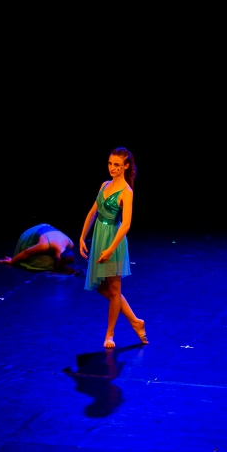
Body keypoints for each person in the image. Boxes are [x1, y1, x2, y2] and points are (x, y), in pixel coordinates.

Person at [79, 147, 147, 349]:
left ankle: (110, 334)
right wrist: (82, 236)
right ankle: (135, 321)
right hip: (99, 236)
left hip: (114, 241)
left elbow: (126, 225)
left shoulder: (126, 192)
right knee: (102, 288)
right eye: (110, 163)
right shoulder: (104, 185)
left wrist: (110, 249)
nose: (112, 168)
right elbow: (93, 212)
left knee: (115, 289)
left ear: (126, 166)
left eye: (117, 165)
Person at [0, 223, 81, 275]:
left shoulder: (71, 244)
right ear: (58, 257)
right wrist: (12, 261)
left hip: (50, 231)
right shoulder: (45, 245)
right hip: (34, 232)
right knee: (46, 263)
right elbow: (26, 253)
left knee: (50, 263)